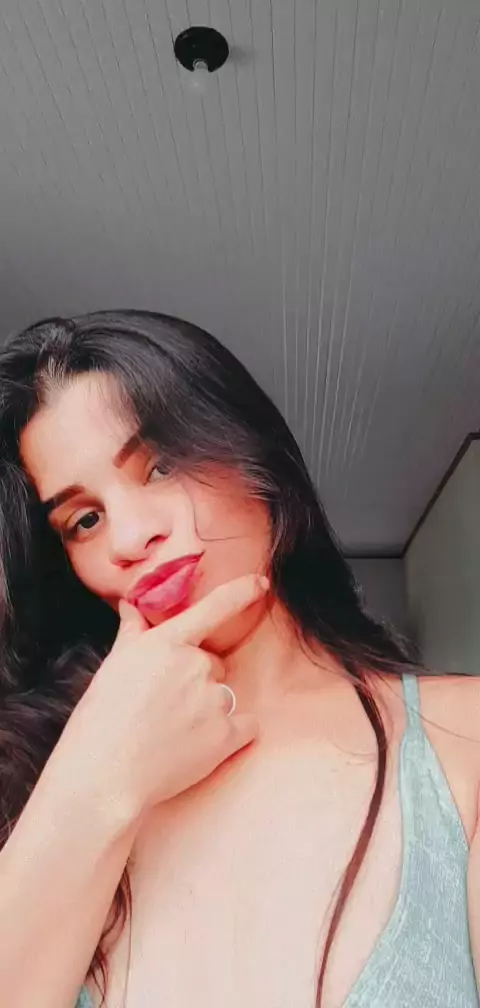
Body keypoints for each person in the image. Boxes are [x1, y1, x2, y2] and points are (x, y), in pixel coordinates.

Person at [0, 310, 478, 1008]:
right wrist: (95, 778)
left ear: (257, 458)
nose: (128, 539)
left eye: (161, 466)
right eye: (85, 520)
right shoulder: (40, 782)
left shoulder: (461, 735)